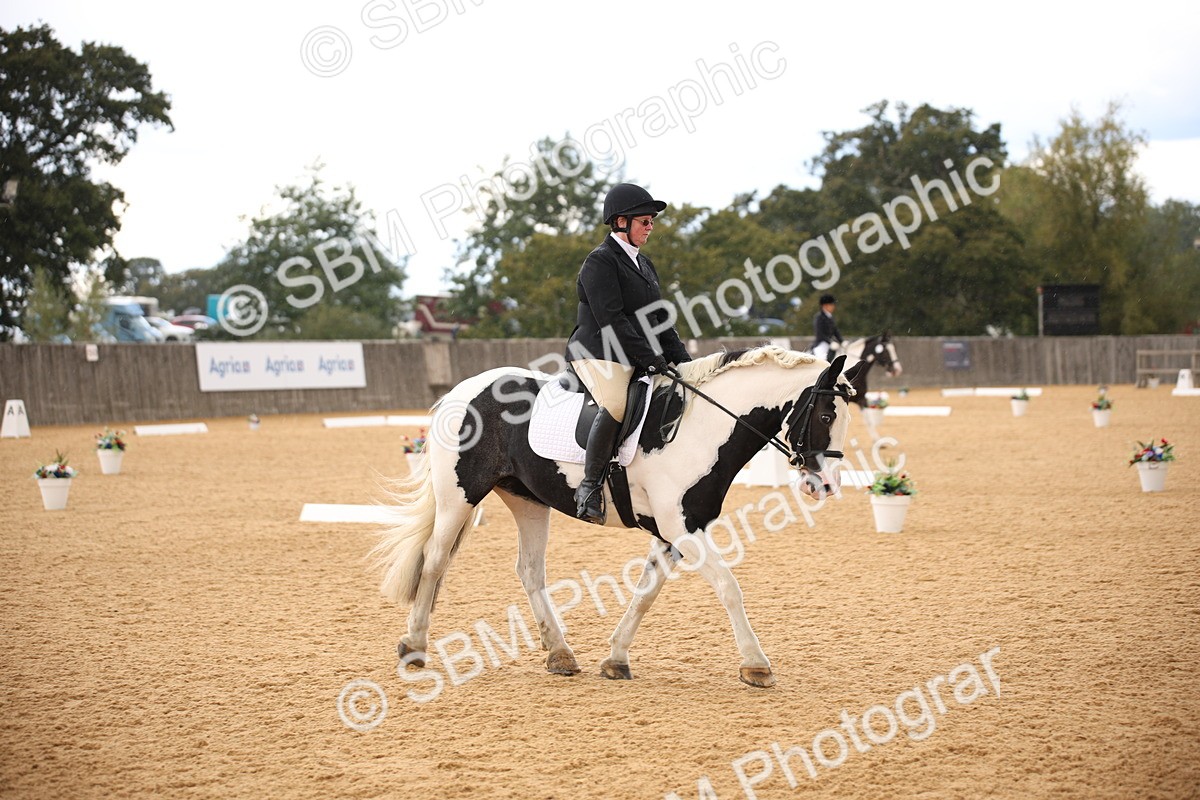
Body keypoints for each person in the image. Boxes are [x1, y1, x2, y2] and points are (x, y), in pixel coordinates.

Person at [565, 182, 692, 524]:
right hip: (596, 352)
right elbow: (611, 319)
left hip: (630, 353)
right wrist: (649, 358)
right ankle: (589, 487)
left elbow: (660, 321)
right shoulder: (600, 262)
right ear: (621, 221)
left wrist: (683, 362)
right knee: (617, 404)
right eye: (645, 221)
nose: (651, 226)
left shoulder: (645, 265)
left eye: (652, 221)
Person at [811, 293, 845, 362]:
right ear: (825, 305)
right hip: (821, 344)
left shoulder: (830, 317)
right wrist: (830, 342)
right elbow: (820, 334)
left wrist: (842, 341)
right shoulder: (819, 317)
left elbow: (835, 331)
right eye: (831, 305)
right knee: (822, 361)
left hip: (830, 344)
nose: (833, 307)